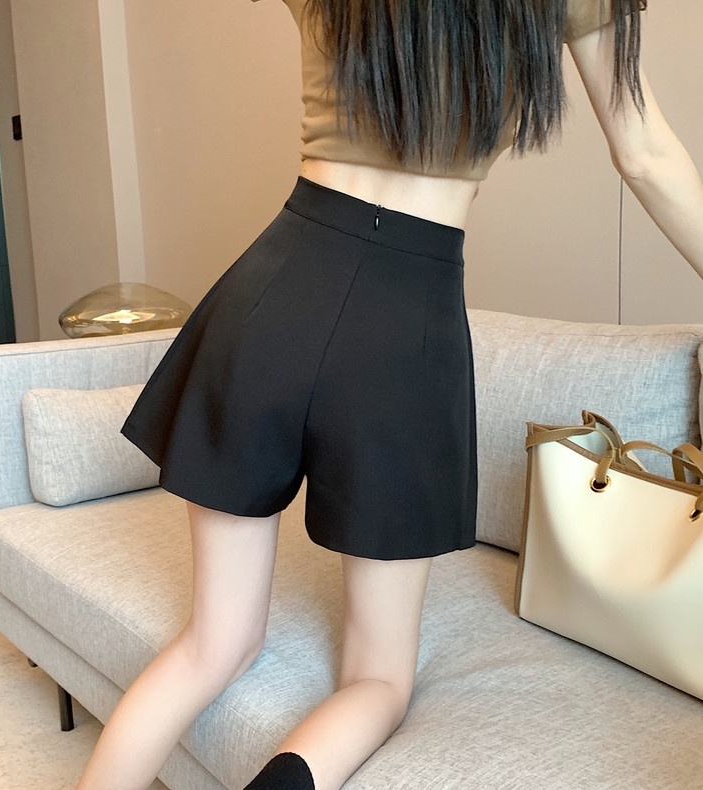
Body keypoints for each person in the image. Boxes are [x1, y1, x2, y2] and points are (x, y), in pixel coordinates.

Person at [77, 1, 703, 788]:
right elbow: (645, 154)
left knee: (214, 645)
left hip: (270, 296)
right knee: (377, 682)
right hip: (405, 333)